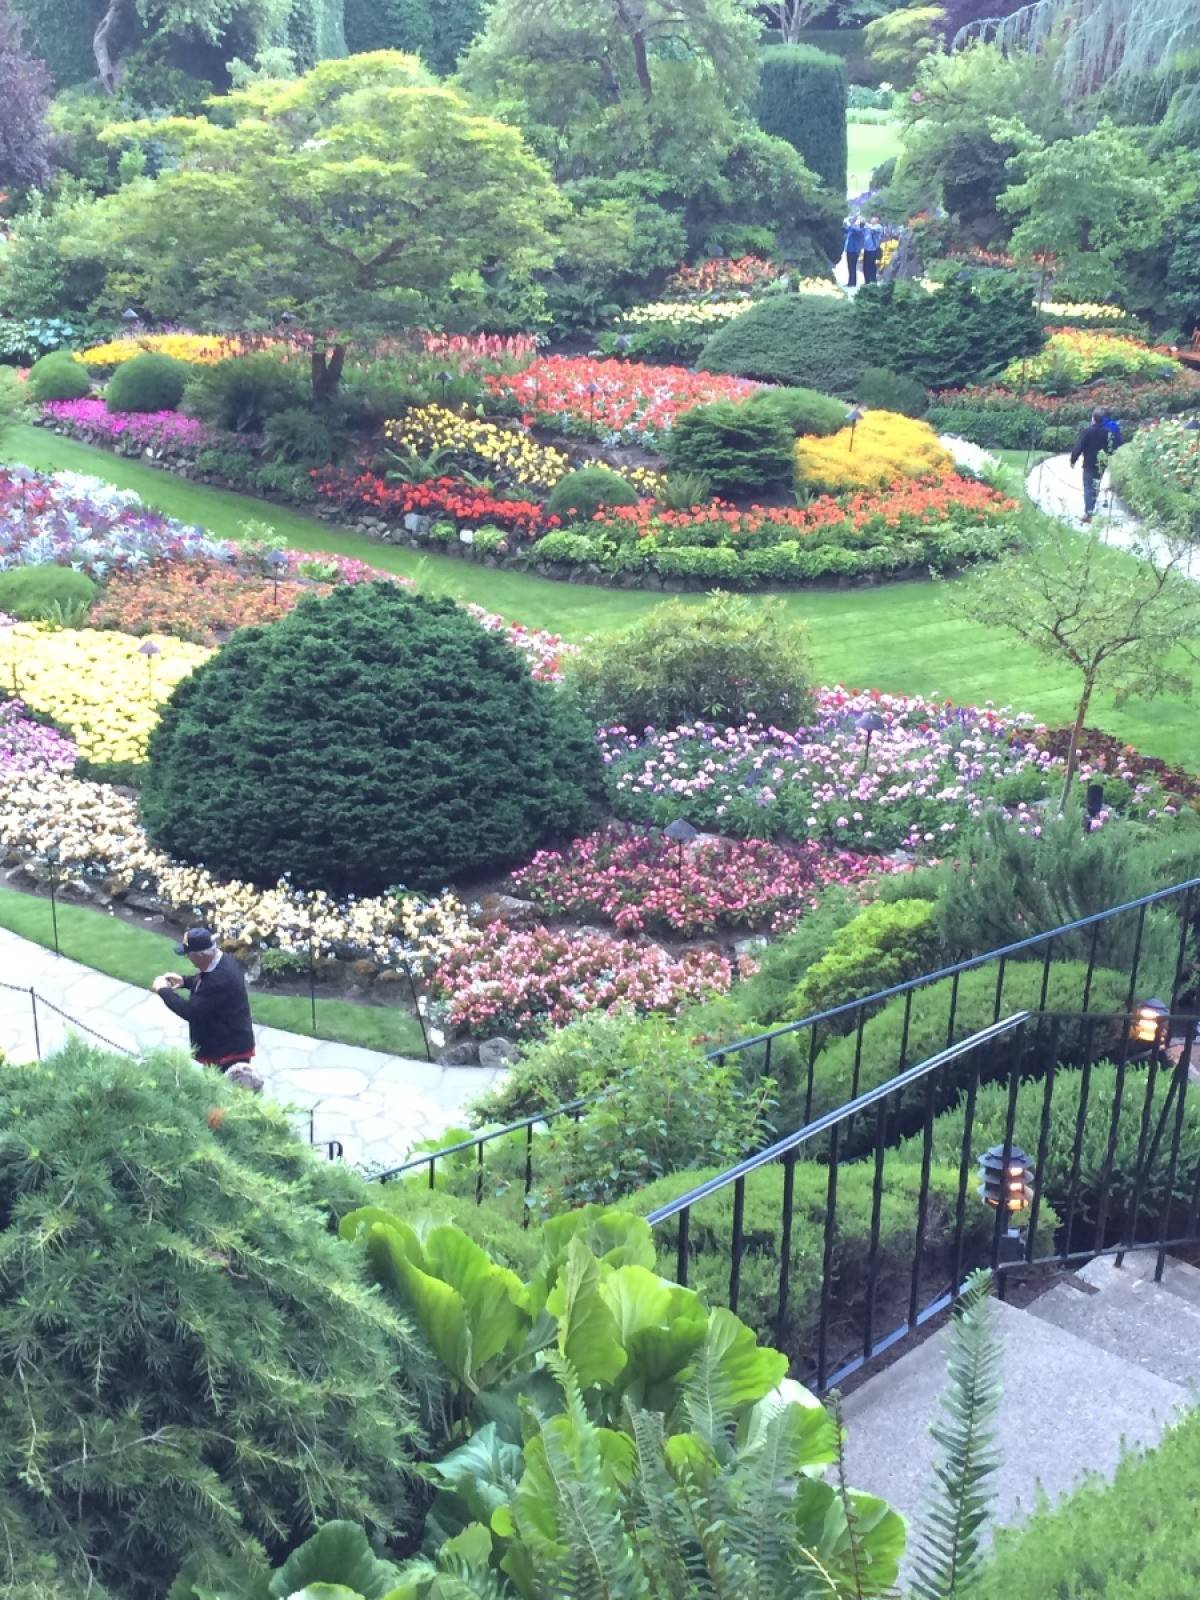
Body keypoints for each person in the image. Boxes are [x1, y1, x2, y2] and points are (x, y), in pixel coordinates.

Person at [153, 926, 260, 1090]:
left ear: (200, 955)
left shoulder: (220, 979)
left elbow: (191, 1011)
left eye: (189, 955)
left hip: (228, 1052)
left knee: (224, 1094)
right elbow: (205, 981)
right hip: (222, 1042)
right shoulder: (221, 961)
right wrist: (184, 981)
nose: (188, 958)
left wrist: (163, 991)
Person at [1069, 409, 1113, 523]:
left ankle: (1088, 513)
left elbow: (1079, 446)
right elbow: (1111, 449)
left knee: (1088, 487)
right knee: (1095, 486)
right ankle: (1091, 508)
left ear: (1093, 418)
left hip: (1089, 463)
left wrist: (1073, 460)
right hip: (1101, 464)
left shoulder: (1087, 431)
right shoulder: (1107, 432)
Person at [843, 213, 866, 288]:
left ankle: (852, 283)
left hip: (854, 251)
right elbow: (846, 229)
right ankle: (850, 282)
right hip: (850, 250)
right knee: (850, 267)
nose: (856, 221)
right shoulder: (854, 229)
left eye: (857, 220)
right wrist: (844, 223)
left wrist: (850, 224)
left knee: (852, 267)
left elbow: (854, 229)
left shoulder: (860, 230)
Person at [862, 216, 884, 284]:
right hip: (866, 250)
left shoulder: (878, 227)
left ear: (877, 220)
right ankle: (867, 281)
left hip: (873, 250)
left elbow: (872, 228)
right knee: (865, 266)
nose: (871, 220)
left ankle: (873, 281)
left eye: (873, 219)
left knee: (871, 266)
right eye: (871, 218)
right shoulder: (868, 227)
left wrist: (865, 222)